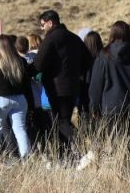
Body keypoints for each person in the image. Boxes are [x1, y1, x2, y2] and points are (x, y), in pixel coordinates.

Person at [33, 10, 93, 165]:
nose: (42, 28)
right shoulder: (74, 38)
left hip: (56, 88)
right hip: (73, 86)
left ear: (50, 23)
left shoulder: (51, 39)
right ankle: (66, 156)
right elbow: (88, 60)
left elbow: (38, 64)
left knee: (61, 121)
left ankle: (87, 150)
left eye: (42, 25)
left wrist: (23, 74)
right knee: (62, 121)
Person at [87, 21, 130, 166]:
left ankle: (123, 172)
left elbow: (96, 84)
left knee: (117, 142)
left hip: (110, 107)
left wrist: (94, 106)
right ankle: (125, 171)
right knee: (126, 140)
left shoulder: (104, 56)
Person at [0, 34, 36, 161]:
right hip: (20, 99)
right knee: (20, 129)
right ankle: (26, 155)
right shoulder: (21, 62)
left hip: (0, 100)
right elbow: (27, 86)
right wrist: (31, 104)